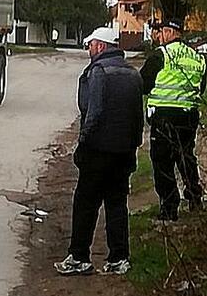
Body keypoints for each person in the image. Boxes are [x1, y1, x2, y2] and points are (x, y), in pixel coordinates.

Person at [55, 27, 143, 276]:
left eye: (91, 45)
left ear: (101, 46)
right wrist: (133, 147)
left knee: (85, 203)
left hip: (98, 150)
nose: (89, 50)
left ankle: (79, 257)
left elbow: (93, 112)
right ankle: (119, 258)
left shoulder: (98, 72)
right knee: (116, 204)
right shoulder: (133, 74)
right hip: (124, 153)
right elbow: (138, 117)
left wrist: (82, 142)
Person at [140, 18, 207, 221]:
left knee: (163, 162)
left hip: (164, 117)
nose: (160, 36)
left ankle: (169, 208)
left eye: (161, 32)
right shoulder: (197, 58)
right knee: (187, 157)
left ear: (170, 32)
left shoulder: (161, 55)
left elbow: (143, 84)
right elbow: (201, 88)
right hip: (188, 117)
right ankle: (195, 200)